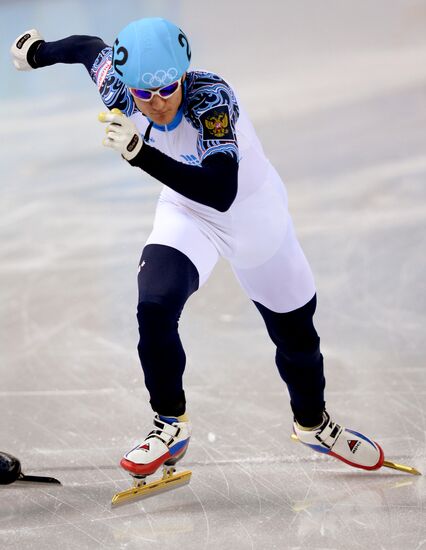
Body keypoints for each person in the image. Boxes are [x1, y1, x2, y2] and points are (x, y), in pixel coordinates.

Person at [10, 18, 384, 481]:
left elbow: (221, 191)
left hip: (253, 217)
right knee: (154, 306)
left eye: (168, 88)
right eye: (145, 96)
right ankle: (169, 424)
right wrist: (38, 51)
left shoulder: (210, 98)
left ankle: (313, 425)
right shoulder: (120, 87)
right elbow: (89, 48)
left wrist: (138, 152)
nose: (158, 103)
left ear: (183, 74)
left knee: (298, 340)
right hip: (187, 213)